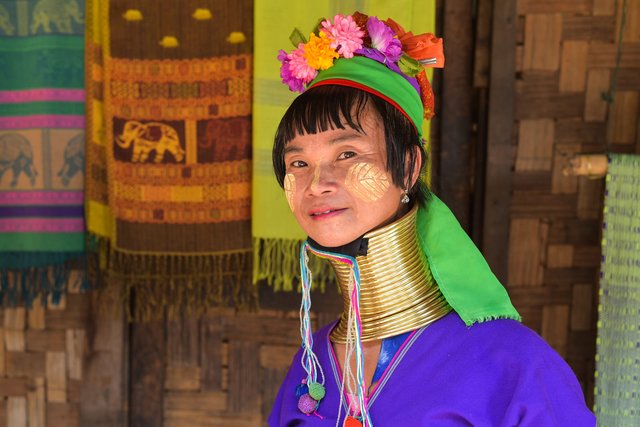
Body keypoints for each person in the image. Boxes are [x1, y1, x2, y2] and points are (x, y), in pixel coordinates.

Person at [268, 12, 596, 427]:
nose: (316, 183)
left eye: (347, 154)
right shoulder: (309, 367)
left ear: (408, 166)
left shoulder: (511, 362)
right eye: (298, 162)